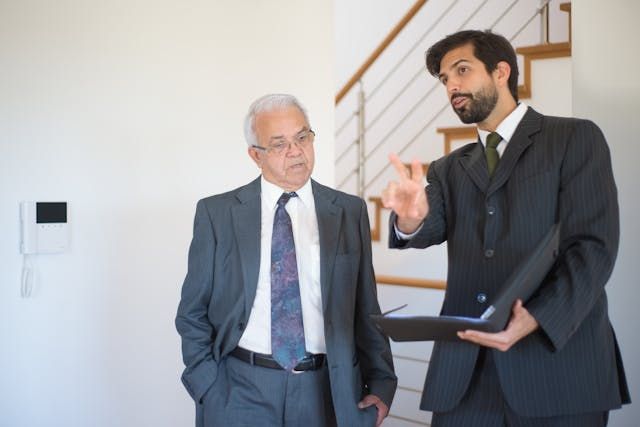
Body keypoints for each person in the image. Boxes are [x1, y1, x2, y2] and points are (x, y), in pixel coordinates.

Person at [382, 30, 630, 426]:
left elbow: (593, 248)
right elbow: (427, 227)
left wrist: (535, 318)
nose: (452, 86)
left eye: (461, 70)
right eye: (445, 79)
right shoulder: (448, 168)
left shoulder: (574, 138)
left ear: (501, 71)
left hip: (556, 366)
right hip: (466, 378)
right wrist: (410, 219)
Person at [176, 93, 397, 427]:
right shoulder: (217, 214)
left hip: (326, 389)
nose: (296, 151)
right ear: (256, 155)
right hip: (239, 389)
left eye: (302, 137)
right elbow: (192, 311)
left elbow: (366, 307)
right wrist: (207, 385)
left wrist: (381, 384)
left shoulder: (349, 211)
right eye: (279, 144)